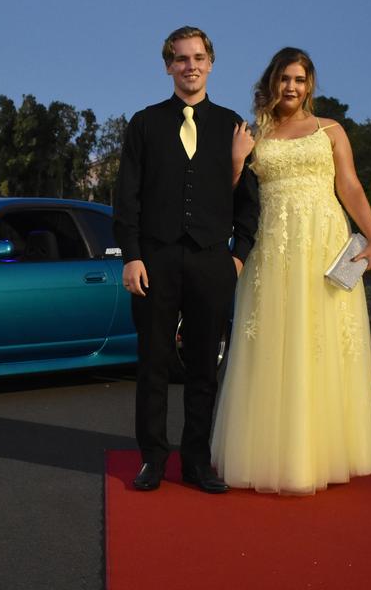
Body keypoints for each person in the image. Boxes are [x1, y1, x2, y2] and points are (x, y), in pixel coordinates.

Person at [210, 47, 371, 495]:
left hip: (324, 244)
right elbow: (230, 196)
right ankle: (270, 453)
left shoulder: (330, 130)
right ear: (272, 81)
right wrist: (235, 159)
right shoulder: (253, 134)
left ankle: (324, 454)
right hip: (273, 247)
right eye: (285, 78)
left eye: (301, 80)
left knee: (320, 342)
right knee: (272, 344)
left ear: (310, 86)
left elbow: (349, 185)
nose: (292, 87)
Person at [114, 26, 259, 493]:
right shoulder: (145, 123)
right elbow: (127, 198)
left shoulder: (233, 126)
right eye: (180, 59)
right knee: (153, 364)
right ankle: (152, 460)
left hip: (211, 263)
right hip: (154, 260)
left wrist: (237, 258)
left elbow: (249, 203)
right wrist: (131, 256)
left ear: (211, 63)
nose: (190, 65)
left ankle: (196, 462)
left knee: (203, 368)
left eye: (198, 57)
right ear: (168, 66)